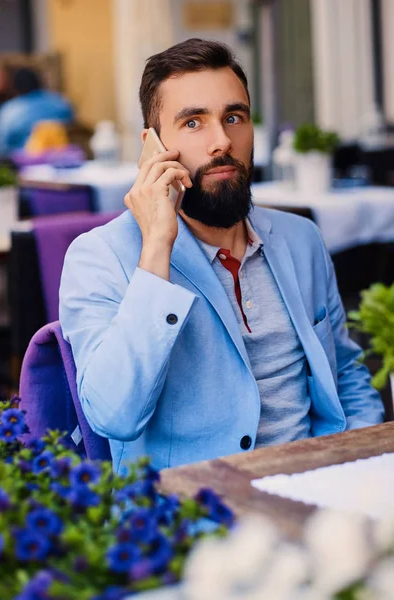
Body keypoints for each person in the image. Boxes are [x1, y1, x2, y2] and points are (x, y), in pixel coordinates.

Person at [59, 39, 383, 474]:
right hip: (198, 516)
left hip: (320, 491)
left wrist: (360, 466)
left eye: (234, 118)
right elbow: (114, 415)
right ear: (152, 146)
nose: (222, 141)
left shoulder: (301, 238)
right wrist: (156, 245)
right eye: (193, 123)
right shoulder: (99, 257)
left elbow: (345, 373)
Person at [0, 67, 74, 155]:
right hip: (59, 156)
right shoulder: (60, 102)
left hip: (23, 161)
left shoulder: (10, 110)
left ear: (15, 87)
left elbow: (2, 145)